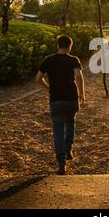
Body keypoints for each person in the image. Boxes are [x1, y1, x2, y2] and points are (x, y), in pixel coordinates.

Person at [36, 35, 86, 175]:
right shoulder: (73, 60)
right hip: (71, 99)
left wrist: (48, 88)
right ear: (70, 46)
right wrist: (81, 93)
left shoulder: (48, 60)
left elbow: (38, 78)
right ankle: (68, 149)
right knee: (70, 123)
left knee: (58, 131)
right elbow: (78, 76)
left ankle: (61, 163)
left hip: (56, 100)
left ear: (58, 45)